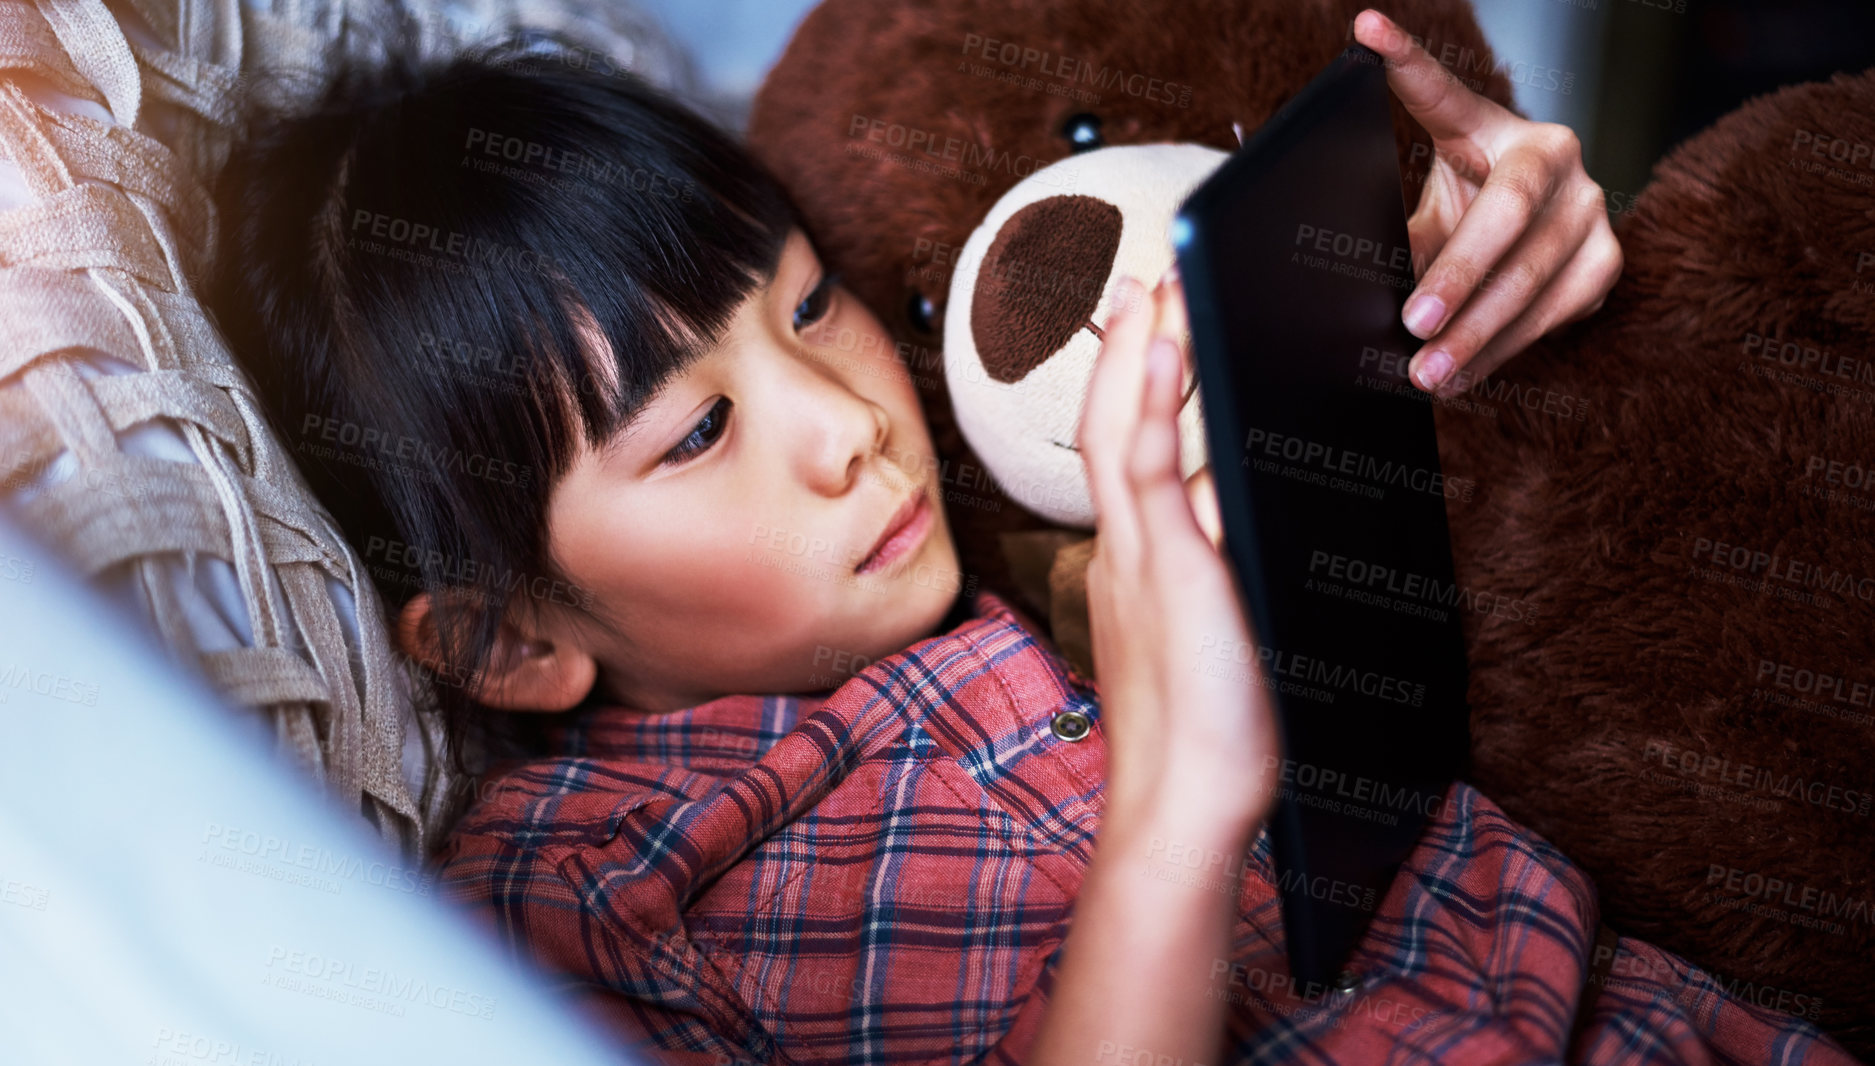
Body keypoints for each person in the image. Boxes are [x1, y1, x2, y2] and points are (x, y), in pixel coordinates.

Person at [215, 12, 1830, 1065]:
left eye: (812, 305)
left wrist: (1470, 278)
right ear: (511, 638)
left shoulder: (1023, 521)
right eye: (697, 432)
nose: (848, 420)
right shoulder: (573, 894)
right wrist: (1177, 806)